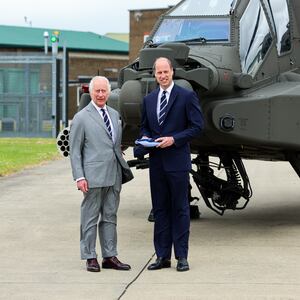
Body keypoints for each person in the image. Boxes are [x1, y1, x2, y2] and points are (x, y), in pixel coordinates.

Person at [141, 57, 204, 272]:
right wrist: (145, 139)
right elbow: (145, 128)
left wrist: (174, 139)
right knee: (160, 210)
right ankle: (162, 256)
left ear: (172, 72)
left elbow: (197, 127)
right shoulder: (148, 100)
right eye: (159, 73)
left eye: (166, 72)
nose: (163, 76)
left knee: (180, 209)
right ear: (155, 74)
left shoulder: (186, 96)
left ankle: (182, 257)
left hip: (177, 163)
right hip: (157, 164)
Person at [69, 76, 133, 272]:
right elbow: (75, 150)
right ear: (90, 92)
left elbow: (113, 143)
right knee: (90, 217)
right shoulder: (82, 117)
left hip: (114, 175)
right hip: (92, 176)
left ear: (108, 92)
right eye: (96, 91)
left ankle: (110, 256)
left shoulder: (114, 115)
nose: (100, 94)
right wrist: (79, 177)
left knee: (110, 217)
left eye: (104, 91)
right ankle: (90, 256)